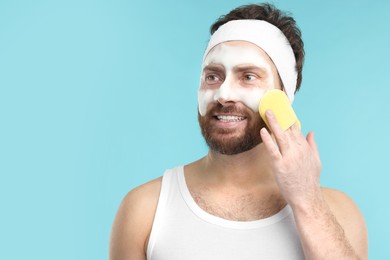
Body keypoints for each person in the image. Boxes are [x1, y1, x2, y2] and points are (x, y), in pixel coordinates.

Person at [109, 3, 368, 259]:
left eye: (248, 77)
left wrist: (308, 202)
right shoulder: (145, 210)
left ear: (284, 97)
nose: (223, 95)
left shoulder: (339, 213)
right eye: (213, 76)